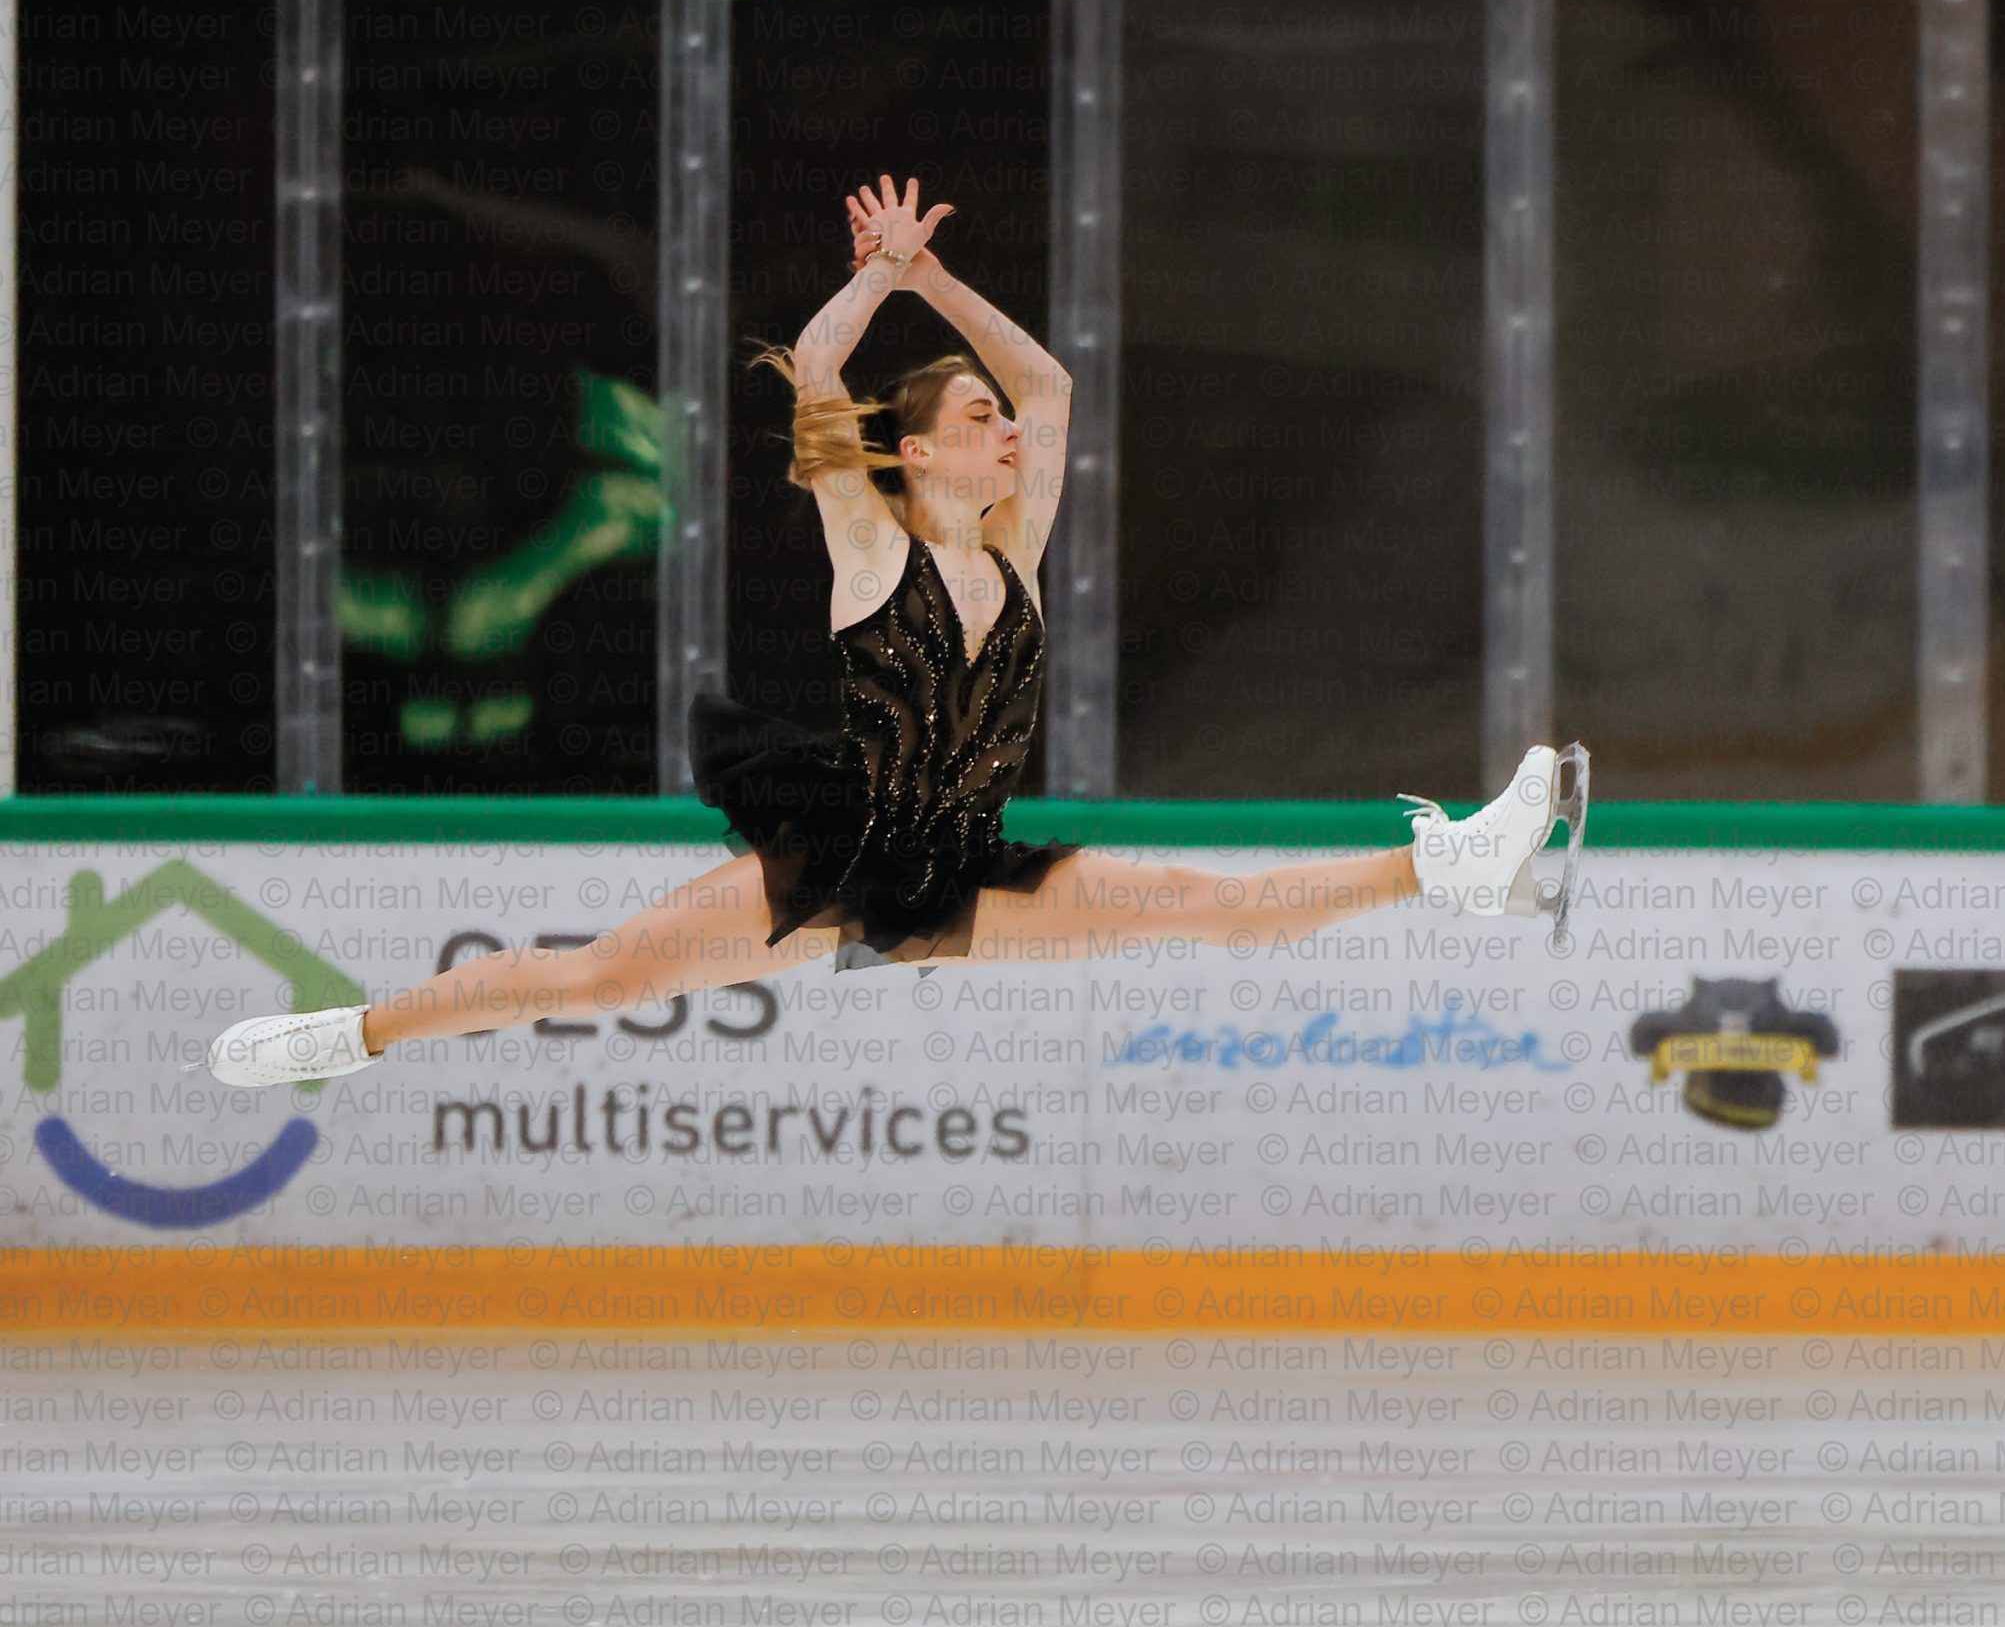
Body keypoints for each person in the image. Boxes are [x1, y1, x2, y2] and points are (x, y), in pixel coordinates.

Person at [202, 175, 1582, 1089]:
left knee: (1213, 908)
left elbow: (1049, 382)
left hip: (963, 868)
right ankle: (351, 1033)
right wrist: (878, 284)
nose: (1001, 427)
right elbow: (813, 376)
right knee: (601, 975)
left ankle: (1462, 866)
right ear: (916, 454)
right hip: (849, 851)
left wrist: (941, 282)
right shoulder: (875, 546)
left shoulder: (1017, 555)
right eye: (969, 417)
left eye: (994, 421)